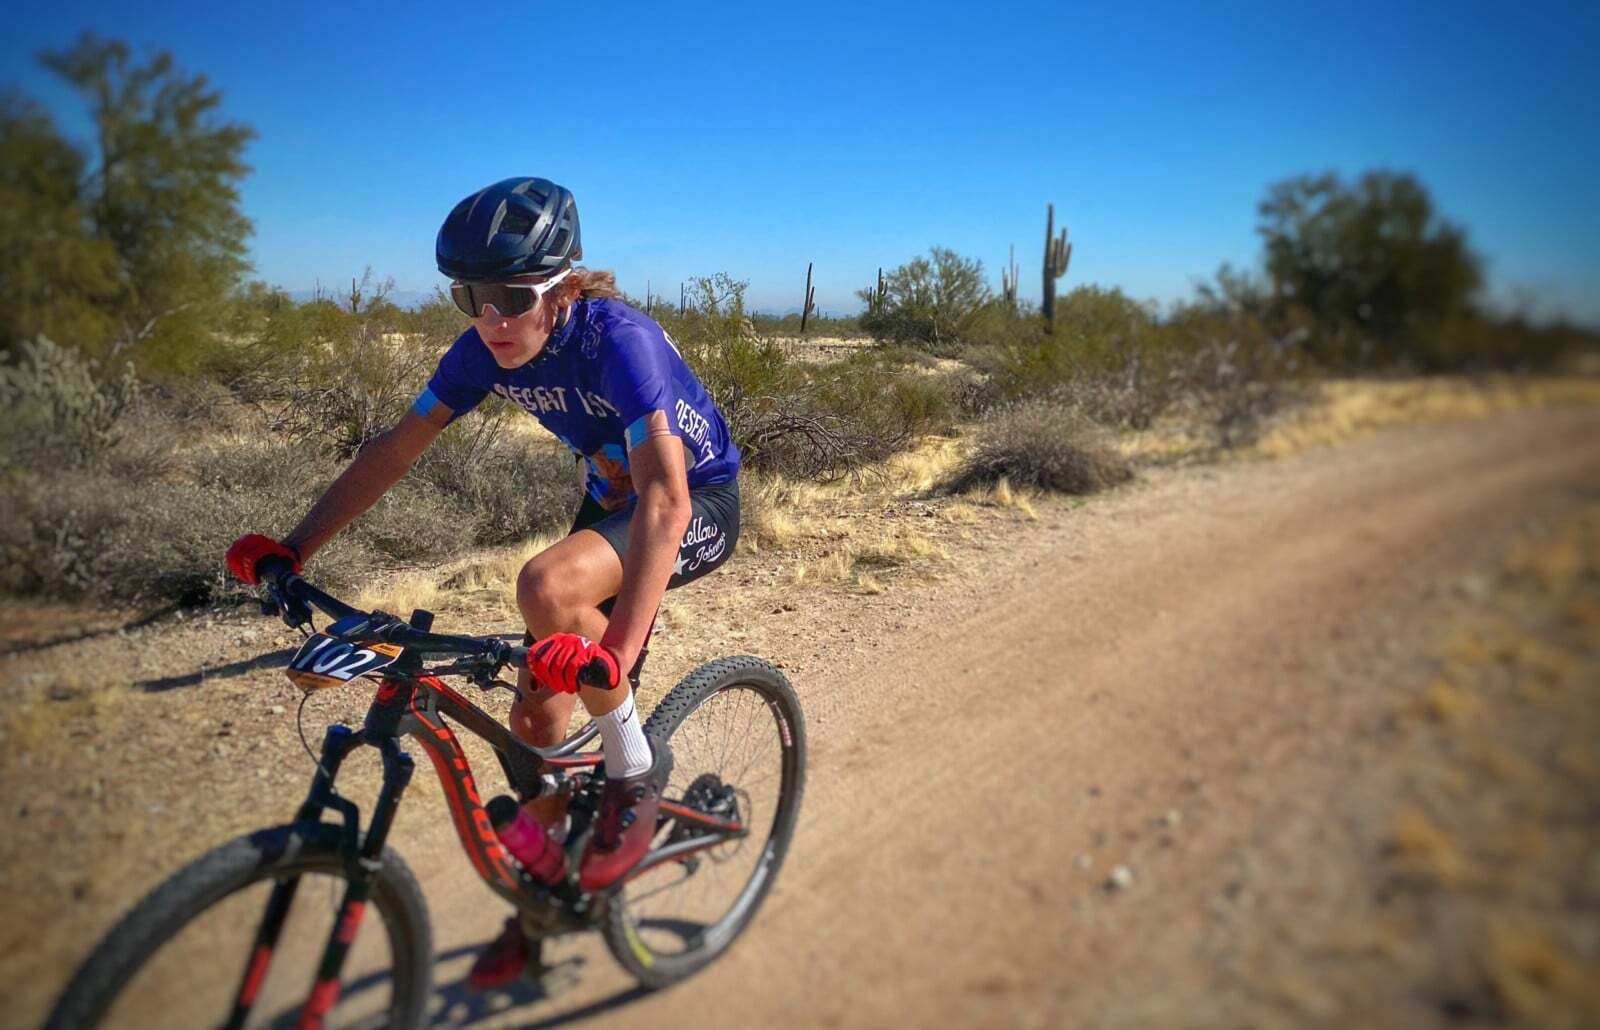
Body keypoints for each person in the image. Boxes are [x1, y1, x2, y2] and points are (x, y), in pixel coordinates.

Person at [225, 176, 742, 988]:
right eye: (471, 297)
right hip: (613, 503)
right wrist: (293, 549)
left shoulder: (619, 342)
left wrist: (616, 653)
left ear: (564, 287)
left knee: (546, 587)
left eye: (513, 296)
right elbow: (395, 450)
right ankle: (543, 912)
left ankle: (634, 771)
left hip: (691, 500)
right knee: (534, 719)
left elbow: (666, 503)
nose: (493, 318)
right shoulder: (481, 351)